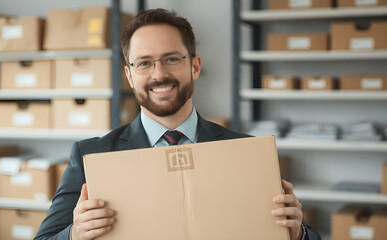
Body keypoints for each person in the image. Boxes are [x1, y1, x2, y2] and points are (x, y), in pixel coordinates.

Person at [35, 8, 321, 240]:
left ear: (194, 66)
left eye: (171, 59)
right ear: (129, 76)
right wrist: (75, 234)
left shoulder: (248, 153)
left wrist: (297, 233)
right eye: (144, 63)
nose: (159, 74)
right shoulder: (91, 157)